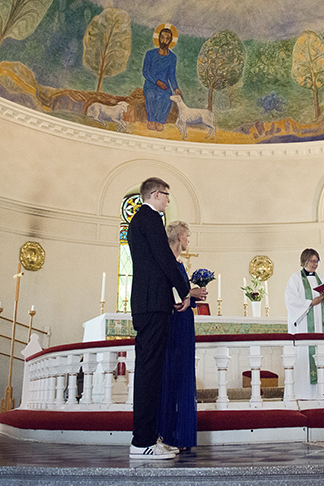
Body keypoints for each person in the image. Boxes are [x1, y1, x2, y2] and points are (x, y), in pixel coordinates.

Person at [127, 177, 191, 459]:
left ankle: (149, 438)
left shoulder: (140, 220)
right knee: (149, 374)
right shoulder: (150, 218)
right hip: (153, 305)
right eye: (166, 195)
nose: (167, 200)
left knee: (150, 373)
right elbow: (164, 258)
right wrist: (184, 290)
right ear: (154, 194)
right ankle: (142, 443)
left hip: (148, 303)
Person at [157, 221, 208, 451]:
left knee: (183, 376)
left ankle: (180, 436)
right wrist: (191, 292)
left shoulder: (177, 262)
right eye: (187, 236)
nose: (188, 240)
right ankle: (166, 435)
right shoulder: (166, 261)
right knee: (172, 376)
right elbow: (170, 295)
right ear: (179, 236)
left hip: (184, 324)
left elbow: (181, 295)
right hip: (174, 325)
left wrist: (192, 294)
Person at [285, 248, 324, 400]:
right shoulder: (295, 279)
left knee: (323, 356)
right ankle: (304, 395)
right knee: (306, 360)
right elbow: (291, 300)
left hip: (322, 328)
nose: (315, 264)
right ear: (304, 261)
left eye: (317, 261)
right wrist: (310, 303)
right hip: (304, 329)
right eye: (312, 261)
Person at [142, 24, 181, 131]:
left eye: (167, 38)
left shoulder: (172, 57)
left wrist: (176, 88)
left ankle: (159, 121)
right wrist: (157, 82)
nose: (164, 41)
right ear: (158, 38)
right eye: (162, 37)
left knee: (166, 97)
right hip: (151, 83)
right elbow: (145, 72)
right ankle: (151, 120)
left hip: (164, 85)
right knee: (150, 95)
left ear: (170, 41)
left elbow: (171, 75)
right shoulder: (150, 54)